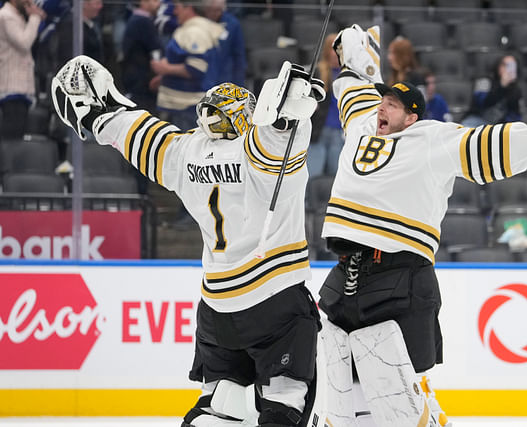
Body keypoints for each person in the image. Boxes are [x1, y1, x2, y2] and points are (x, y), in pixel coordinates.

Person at [317, 24, 527, 427]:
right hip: (344, 272)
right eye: (381, 101)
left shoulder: (431, 138)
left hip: (398, 275)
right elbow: (353, 91)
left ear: (412, 116)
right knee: (341, 402)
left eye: (393, 105)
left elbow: (486, 147)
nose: (382, 107)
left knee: (392, 401)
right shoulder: (363, 123)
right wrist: (354, 61)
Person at [51, 55, 327, 427]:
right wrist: (287, 120)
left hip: (217, 307)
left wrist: (101, 114)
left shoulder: (186, 152)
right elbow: (275, 142)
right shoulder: (256, 152)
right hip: (275, 300)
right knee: (284, 401)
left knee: (219, 405)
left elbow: (138, 133)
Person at [151, 0, 224, 131]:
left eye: (177, 7)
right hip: (187, 106)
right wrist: (164, 78)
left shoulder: (194, 32)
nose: (174, 11)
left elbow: (196, 68)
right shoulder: (195, 29)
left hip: (187, 106)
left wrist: (166, 69)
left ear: (189, 8)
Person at [0, 0, 45, 140]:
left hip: (21, 88)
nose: (29, 1)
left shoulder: (17, 16)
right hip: (12, 89)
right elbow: (24, 43)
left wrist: (37, 19)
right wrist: (35, 17)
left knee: (18, 136)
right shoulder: (6, 16)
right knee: (11, 138)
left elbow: (32, 40)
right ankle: (7, 162)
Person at [308, 32, 343, 178]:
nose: (337, 53)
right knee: (312, 177)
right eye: (334, 48)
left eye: (340, 49)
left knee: (336, 178)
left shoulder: (349, 75)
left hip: (339, 133)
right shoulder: (318, 72)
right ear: (327, 50)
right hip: (318, 132)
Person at [121, 0, 162, 113]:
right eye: (155, 0)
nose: (159, 3)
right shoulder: (142, 21)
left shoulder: (137, 20)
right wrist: (159, 72)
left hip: (137, 78)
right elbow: (155, 50)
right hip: (142, 82)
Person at [461, 54, 522, 127]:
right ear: (498, 66)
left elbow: (515, 114)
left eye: (511, 66)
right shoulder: (484, 81)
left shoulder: (516, 89)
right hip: (478, 119)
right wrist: (502, 86)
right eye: (505, 65)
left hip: (500, 125)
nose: (508, 69)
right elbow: (482, 103)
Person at [203, 0, 247, 88]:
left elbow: (239, 54)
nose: (216, 13)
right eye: (212, 10)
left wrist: (239, 84)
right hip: (204, 77)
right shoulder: (200, 22)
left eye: (219, 10)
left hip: (225, 77)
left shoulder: (232, 24)